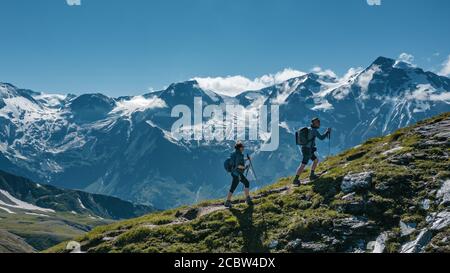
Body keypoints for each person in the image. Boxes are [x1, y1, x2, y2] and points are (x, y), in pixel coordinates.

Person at [293, 118, 331, 186]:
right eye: (318, 123)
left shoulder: (309, 129)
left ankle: (312, 175)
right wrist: (327, 132)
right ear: (314, 123)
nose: (319, 124)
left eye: (319, 122)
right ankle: (295, 180)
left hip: (306, 149)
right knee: (303, 164)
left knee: (315, 160)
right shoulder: (314, 131)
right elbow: (321, 138)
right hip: (308, 150)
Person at [224, 142, 253, 208]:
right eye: (243, 147)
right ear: (240, 148)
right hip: (237, 173)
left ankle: (227, 202)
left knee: (234, 186)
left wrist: (247, 159)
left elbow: (240, 160)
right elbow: (238, 165)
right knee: (246, 183)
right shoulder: (239, 155)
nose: (243, 148)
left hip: (234, 173)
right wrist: (245, 167)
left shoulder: (235, 153)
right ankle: (247, 199)